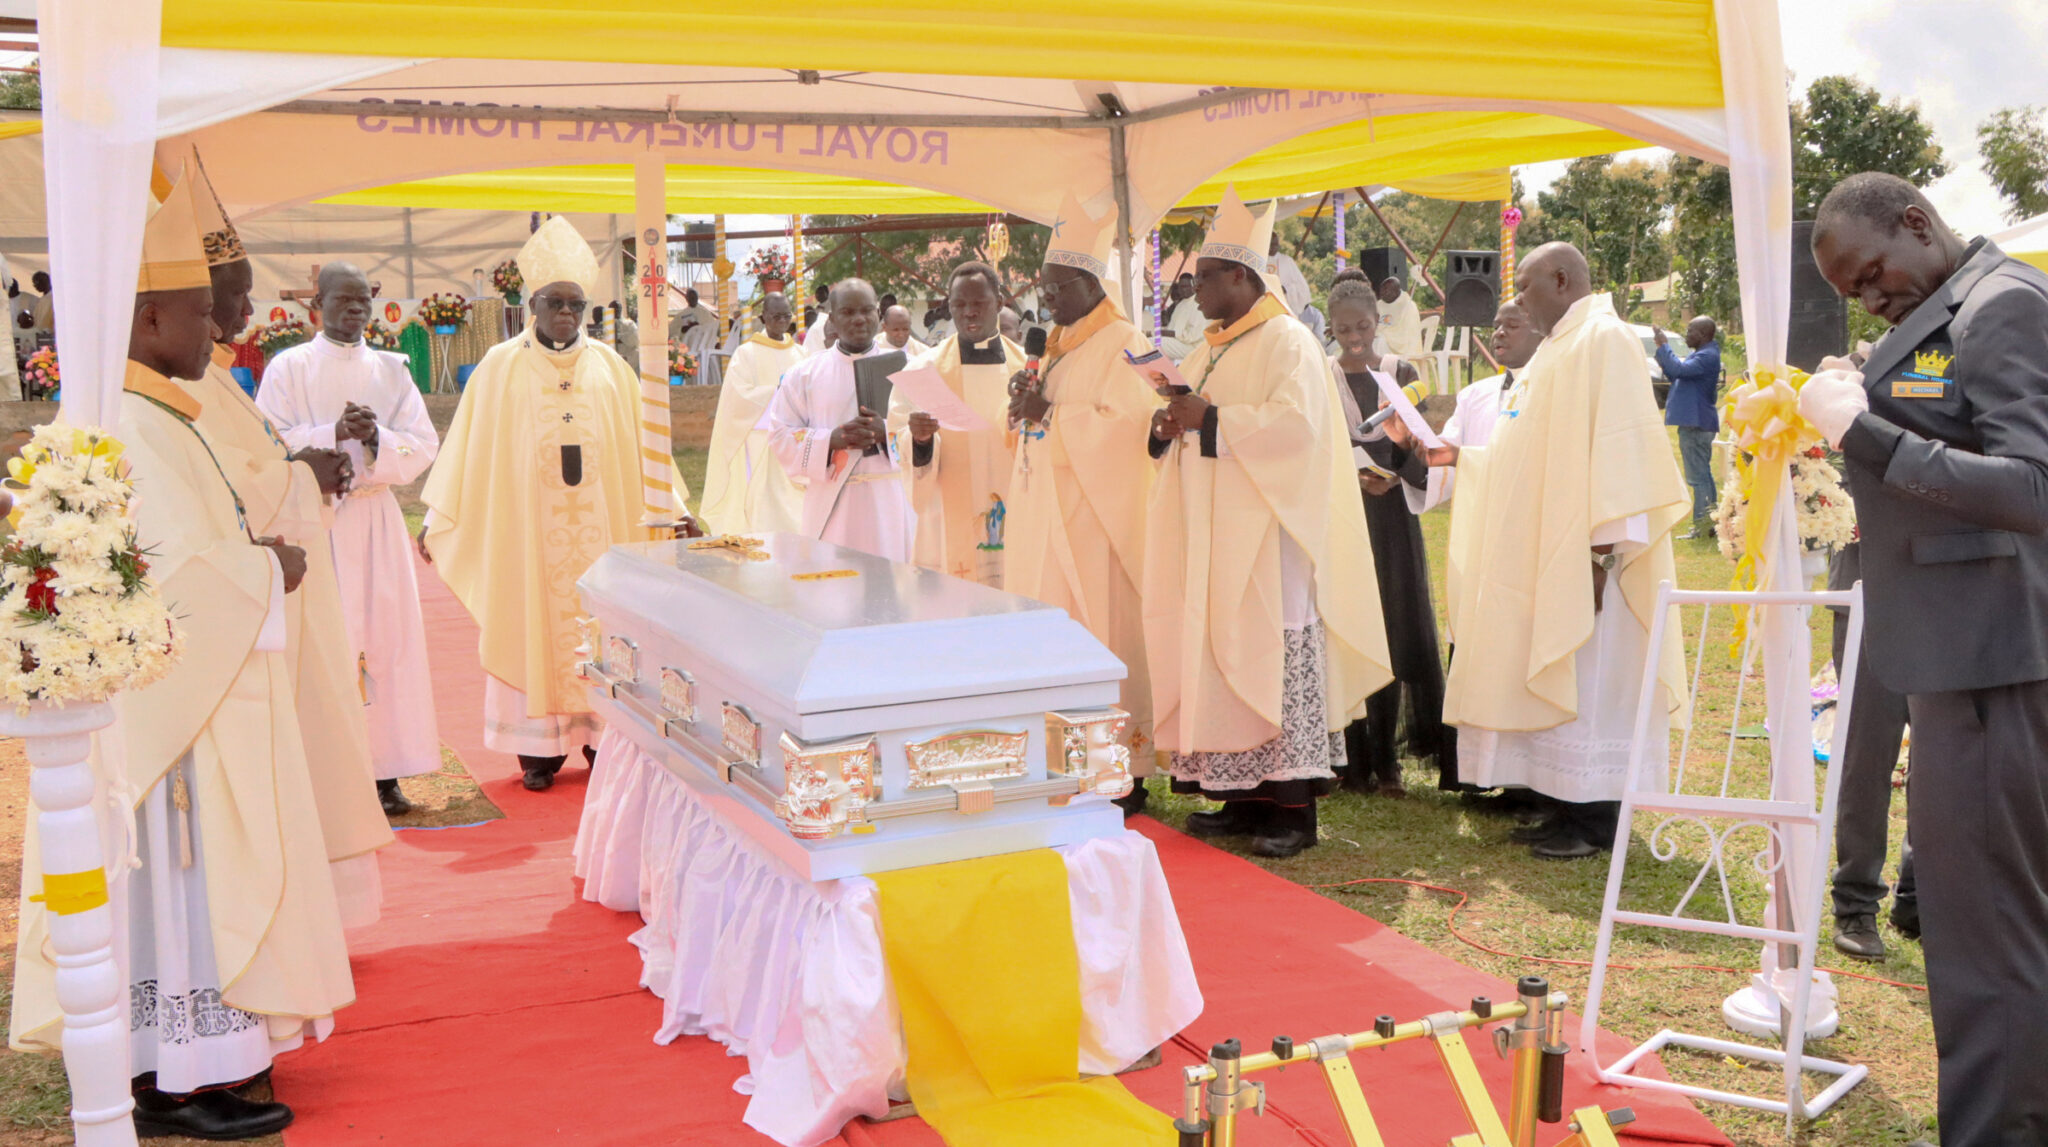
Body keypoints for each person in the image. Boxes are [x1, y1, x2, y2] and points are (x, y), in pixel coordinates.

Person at [13, 169, 356, 1142]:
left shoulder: (163, 408)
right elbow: (166, 579)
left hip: (196, 703)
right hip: (173, 720)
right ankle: (176, 1073)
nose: (219, 331)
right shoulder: (129, 419)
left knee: (193, 884)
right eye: (202, 314)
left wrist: (254, 562)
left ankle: (192, 1059)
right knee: (181, 883)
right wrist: (265, 571)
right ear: (152, 312)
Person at [1799, 171, 2048, 1147]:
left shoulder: (2000, 306)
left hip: (1990, 660)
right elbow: (1946, 425)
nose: (1869, 298)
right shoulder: (1950, 305)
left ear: (1914, 221)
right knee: (1974, 921)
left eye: (1870, 275)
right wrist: (1864, 402)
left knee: (1983, 930)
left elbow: (2031, 484)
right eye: (1853, 293)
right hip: (1954, 656)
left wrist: (1861, 430)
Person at [1141, 187, 1391, 859]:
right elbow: (1187, 414)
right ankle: (1245, 796)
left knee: (1274, 658)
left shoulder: (1287, 341)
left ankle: (1292, 808)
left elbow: (1300, 431)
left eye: (1204, 278)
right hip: (1220, 535)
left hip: (1272, 536)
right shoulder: (1211, 348)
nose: (1193, 291)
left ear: (1242, 278)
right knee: (1227, 655)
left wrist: (1212, 421)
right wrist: (1167, 423)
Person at [1427, 243, 1690, 860]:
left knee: (1597, 680)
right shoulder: (1560, 348)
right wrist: (1463, 457)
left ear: (1563, 279)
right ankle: (1563, 804)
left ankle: (1596, 820)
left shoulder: (1606, 340)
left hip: (1598, 557)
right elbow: (1528, 452)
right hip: (1555, 549)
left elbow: (1623, 455)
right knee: (1567, 673)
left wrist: (1601, 558)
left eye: (1525, 286)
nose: (1516, 299)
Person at [184, 155, 396, 920]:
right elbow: (257, 467)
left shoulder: (393, 365)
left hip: (363, 523)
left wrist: (368, 452)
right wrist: (317, 454)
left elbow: (417, 446)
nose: (245, 312)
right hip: (293, 555)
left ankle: (395, 765)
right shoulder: (254, 371)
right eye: (234, 297)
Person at [421, 216, 696, 793]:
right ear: (531, 304)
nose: (566, 314)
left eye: (575, 303)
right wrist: (435, 517)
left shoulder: (612, 369)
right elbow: (466, 451)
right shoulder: (499, 366)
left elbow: (645, 446)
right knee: (529, 618)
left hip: (605, 537)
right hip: (527, 533)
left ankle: (603, 738)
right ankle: (537, 751)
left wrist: (670, 506)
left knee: (607, 623)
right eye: (554, 302)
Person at [260, 263, 445, 814]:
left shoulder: (391, 370)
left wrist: (376, 438)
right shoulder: (289, 367)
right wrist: (331, 434)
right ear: (317, 304)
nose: (356, 309)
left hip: (375, 520)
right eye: (344, 299)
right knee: (328, 640)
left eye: (364, 299)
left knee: (386, 640)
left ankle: (386, 772)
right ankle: (328, 770)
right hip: (316, 522)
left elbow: (423, 444)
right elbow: (266, 441)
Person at [1002, 194, 1162, 815]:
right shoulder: (1060, 345)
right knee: (1051, 644)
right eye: (1043, 288)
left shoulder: (1126, 342)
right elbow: (1030, 429)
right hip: (1046, 521)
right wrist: (1023, 402)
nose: (1047, 301)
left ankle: (1122, 773)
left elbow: (1135, 427)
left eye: (1057, 287)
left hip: (1098, 526)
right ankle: (1058, 762)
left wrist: (1055, 415)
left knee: (1102, 638)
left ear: (1092, 283)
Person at [1325, 279, 1446, 796]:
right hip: (1344, 518)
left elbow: (1424, 453)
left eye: (1363, 326)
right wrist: (1349, 476)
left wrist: (1392, 470)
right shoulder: (1322, 377)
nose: (1354, 337)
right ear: (1330, 329)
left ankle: (1389, 761)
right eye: (1343, 328)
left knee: (1394, 627)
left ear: (1379, 322)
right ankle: (1352, 760)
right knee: (1351, 627)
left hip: (1393, 516)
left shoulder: (1402, 374)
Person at [764, 278, 918, 560]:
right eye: (848, 312)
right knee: (834, 592)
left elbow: (930, 431)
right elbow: (779, 434)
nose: (859, 319)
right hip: (834, 502)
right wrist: (831, 440)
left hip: (891, 500)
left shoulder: (908, 369)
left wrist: (886, 433)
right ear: (832, 319)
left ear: (878, 315)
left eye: (866, 311)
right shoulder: (805, 374)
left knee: (895, 588)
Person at [906, 262, 1026, 586]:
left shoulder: (1027, 370)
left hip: (1016, 509)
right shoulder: (923, 371)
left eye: (979, 303)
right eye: (959, 305)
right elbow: (897, 439)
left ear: (999, 303)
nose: (969, 313)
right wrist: (919, 442)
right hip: (947, 516)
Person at [1823, 537, 1916, 961]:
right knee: (1867, 756)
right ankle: (1856, 904)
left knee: (1946, 762)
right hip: (1869, 590)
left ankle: (1918, 899)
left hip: (1959, 595)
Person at [702, 292, 807, 536]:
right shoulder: (746, 353)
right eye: (776, 315)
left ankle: (798, 538)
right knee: (763, 496)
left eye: (786, 315)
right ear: (764, 317)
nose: (782, 321)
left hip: (795, 438)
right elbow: (739, 397)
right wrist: (778, 393)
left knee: (796, 500)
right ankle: (762, 537)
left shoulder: (801, 354)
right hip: (761, 438)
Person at [1653, 315, 1723, 537]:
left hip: (1696, 423)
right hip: (1695, 422)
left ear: (1702, 335)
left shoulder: (1707, 356)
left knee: (1698, 477)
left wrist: (1664, 346)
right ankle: (1708, 524)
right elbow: (1675, 372)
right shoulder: (1703, 354)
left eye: (1690, 330)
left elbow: (1679, 371)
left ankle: (1703, 527)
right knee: (1702, 475)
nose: (1686, 335)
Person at [1377, 275, 1425, 358]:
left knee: (1380, 340)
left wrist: (1383, 333)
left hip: (1402, 348)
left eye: (1386, 290)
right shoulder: (1379, 304)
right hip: (1380, 339)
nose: (1382, 293)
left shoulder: (1408, 306)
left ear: (1396, 291)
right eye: (1381, 290)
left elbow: (1405, 334)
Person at [1160, 273, 1204, 360]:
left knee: (1156, 343)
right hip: (1179, 343)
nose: (1183, 290)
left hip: (1193, 347)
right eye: (1181, 287)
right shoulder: (1181, 304)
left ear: (1193, 286)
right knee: (1151, 341)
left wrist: (1172, 334)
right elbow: (1171, 327)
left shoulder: (1198, 303)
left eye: (1186, 286)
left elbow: (1193, 336)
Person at [1268, 233, 1312, 315]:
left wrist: (1286, 289)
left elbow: (1302, 287)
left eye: (1275, 244)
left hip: (1283, 306)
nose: (1273, 247)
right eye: (1271, 244)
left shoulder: (1287, 261)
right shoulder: (1259, 260)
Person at [803, 282, 834, 352]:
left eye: (820, 293)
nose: (817, 295)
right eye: (816, 293)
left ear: (827, 293)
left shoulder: (831, 305)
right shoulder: (817, 307)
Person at [28, 269, 52, 335]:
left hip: (49, 336)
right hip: (39, 335)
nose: (35, 287)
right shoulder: (41, 300)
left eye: (36, 283)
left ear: (45, 281)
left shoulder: (53, 298)